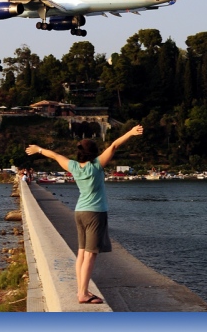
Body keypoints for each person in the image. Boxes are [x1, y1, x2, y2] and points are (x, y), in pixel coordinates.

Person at [25, 125, 144, 304]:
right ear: (94, 153)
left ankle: (82, 290)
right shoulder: (96, 166)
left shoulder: (74, 166)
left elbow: (55, 155)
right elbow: (113, 146)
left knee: (81, 253)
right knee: (90, 255)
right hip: (95, 213)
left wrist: (38, 149)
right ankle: (83, 293)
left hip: (80, 212)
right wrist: (131, 133)